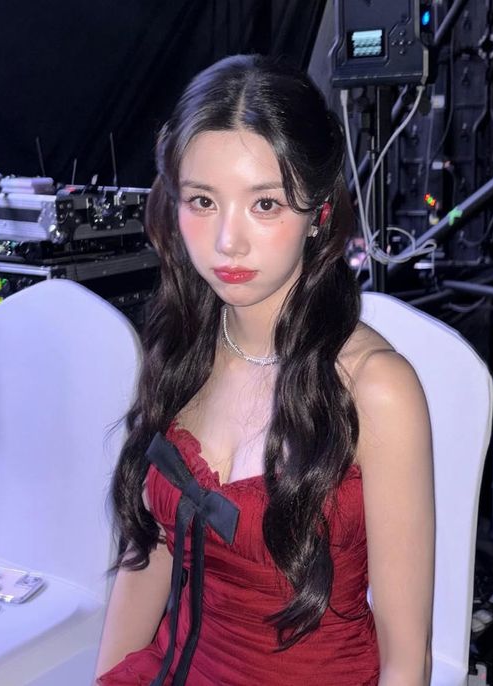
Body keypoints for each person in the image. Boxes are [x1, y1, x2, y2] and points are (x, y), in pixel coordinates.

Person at [94, 54, 435, 686]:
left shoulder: (376, 390)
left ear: (319, 215)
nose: (228, 241)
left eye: (265, 204)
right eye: (202, 201)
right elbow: (151, 555)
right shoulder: (180, 349)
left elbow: (406, 659)